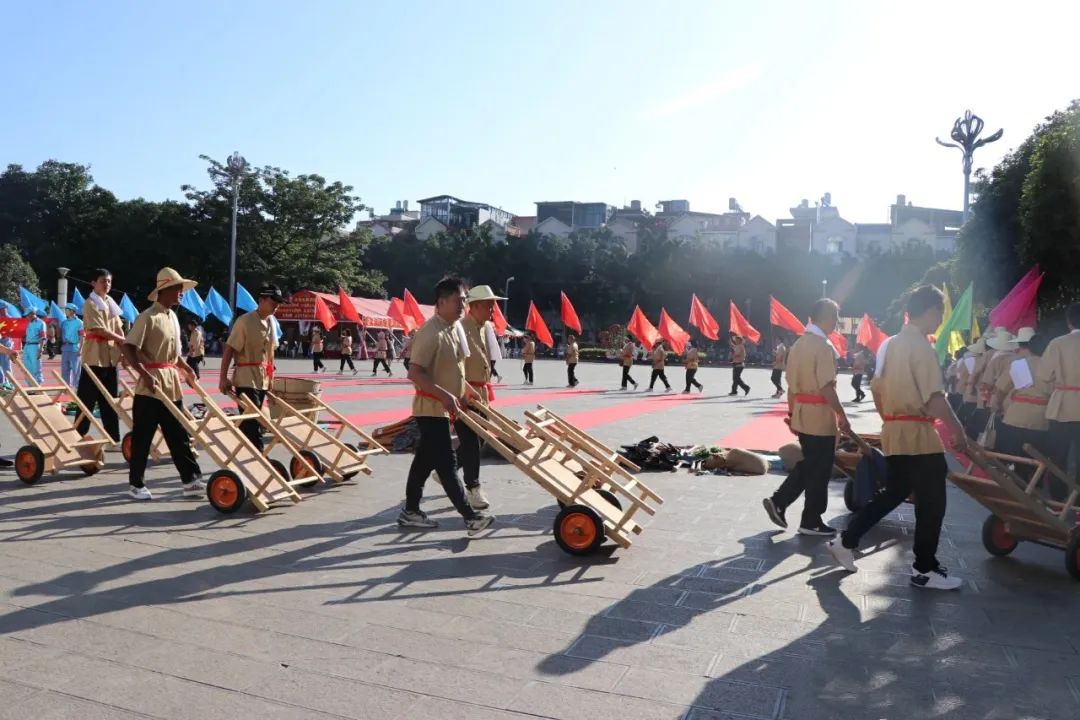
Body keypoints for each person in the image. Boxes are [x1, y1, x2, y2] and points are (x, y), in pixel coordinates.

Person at [828, 285, 970, 590]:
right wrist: (958, 430)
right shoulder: (921, 347)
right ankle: (924, 569)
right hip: (918, 434)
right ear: (931, 311)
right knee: (932, 502)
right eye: (940, 314)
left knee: (893, 493)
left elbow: (877, 389)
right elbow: (934, 398)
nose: (940, 320)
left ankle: (846, 539)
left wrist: (892, 420)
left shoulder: (889, 345)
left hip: (894, 431)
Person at [398, 275, 495, 535]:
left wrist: (467, 391)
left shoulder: (454, 328)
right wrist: (445, 395)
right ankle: (470, 517)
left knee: (422, 464)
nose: (462, 305)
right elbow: (415, 373)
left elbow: (457, 370)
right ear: (441, 302)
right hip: (430, 410)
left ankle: (410, 511)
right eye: (458, 301)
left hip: (444, 407)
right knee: (448, 463)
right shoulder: (430, 332)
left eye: (464, 300)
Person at [763, 299, 851, 537]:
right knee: (818, 467)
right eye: (835, 318)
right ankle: (799, 512)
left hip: (802, 411)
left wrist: (793, 414)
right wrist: (842, 415)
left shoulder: (799, 345)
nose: (836, 323)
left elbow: (791, 387)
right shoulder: (822, 347)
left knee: (813, 463)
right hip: (820, 415)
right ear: (826, 317)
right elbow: (826, 387)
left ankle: (798, 512)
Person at [123, 268, 204, 500]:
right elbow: (128, 346)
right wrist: (143, 373)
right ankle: (136, 484)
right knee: (143, 437)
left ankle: (190, 479)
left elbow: (174, 353)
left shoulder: (173, 317)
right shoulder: (148, 316)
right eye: (177, 289)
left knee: (178, 434)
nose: (181, 293)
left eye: (181, 289)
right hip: (150, 387)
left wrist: (186, 368)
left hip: (170, 384)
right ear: (164, 290)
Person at [457, 284, 506, 511]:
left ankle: (447, 469)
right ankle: (473, 488)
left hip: (481, 394)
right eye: (488, 306)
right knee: (471, 442)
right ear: (474, 306)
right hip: (465, 394)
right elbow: (454, 366)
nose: (492, 311)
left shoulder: (484, 327)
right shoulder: (459, 328)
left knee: (478, 440)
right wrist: (464, 389)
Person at [219, 285, 285, 452]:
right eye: (273, 303)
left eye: (278, 303)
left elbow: (270, 354)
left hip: (262, 379)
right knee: (252, 421)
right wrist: (223, 377)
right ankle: (259, 455)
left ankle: (247, 454)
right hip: (246, 378)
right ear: (261, 301)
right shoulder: (245, 321)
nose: (276, 306)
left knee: (254, 420)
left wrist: (271, 378)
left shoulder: (271, 321)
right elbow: (230, 349)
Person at [991, 329, 1051, 482]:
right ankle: (1034, 484)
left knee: (1015, 454)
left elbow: (1001, 389)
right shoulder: (1051, 366)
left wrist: (997, 406)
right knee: (1037, 456)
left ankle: (1015, 480)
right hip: (1041, 418)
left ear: (1029, 347)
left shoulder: (1019, 364)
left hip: (1015, 416)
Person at [76, 268, 125, 443]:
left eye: (109, 281)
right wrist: (121, 339)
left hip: (110, 357)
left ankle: (113, 437)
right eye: (103, 281)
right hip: (94, 356)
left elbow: (118, 325)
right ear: (93, 283)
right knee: (86, 399)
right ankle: (78, 434)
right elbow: (99, 329)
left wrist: (124, 345)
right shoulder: (90, 303)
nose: (107, 284)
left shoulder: (110, 301)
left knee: (111, 399)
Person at [1037, 302, 1080, 501]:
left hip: (1062, 406)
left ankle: (1057, 498)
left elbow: (1044, 375)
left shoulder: (1058, 343)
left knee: (1058, 457)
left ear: (1068, 321)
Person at [59, 303, 83, 387]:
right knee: (65, 369)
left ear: (73, 311)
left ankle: (77, 387)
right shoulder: (64, 323)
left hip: (74, 347)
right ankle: (66, 387)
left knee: (76, 369)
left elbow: (82, 337)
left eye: (67, 310)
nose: (65, 311)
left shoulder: (79, 322)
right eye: (65, 310)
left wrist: (80, 349)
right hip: (65, 347)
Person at [22, 308, 45, 384]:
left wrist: (41, 350)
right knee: (27, 368)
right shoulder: (29, 323)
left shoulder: (41, 323)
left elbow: (43, 337)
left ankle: (38, 388)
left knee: (36, 368)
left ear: (32, 314)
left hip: (35, 346)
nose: (26, 317)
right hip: (27, 346)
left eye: (27, 315)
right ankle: (30, 388)